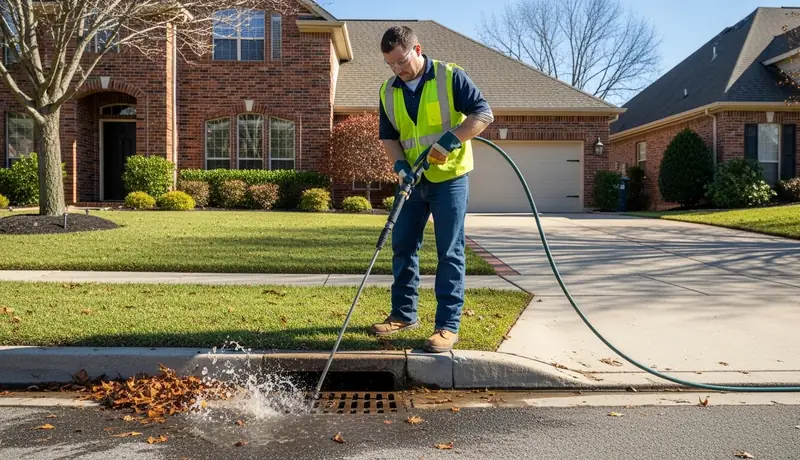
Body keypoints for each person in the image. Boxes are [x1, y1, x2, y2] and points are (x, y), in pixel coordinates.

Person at [369, 25, 494, 353]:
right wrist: (399, 167)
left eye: (402, 61)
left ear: (418, 50)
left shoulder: (448, 76)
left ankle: (447, 326)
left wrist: (451, 140)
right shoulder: (388, 91)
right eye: (391, 65)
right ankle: (403, 314)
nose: (398, 69)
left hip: (449, 180)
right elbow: (389, 138)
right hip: (412, 181)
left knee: (449, 251)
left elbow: (483, 113)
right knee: (403, 247)